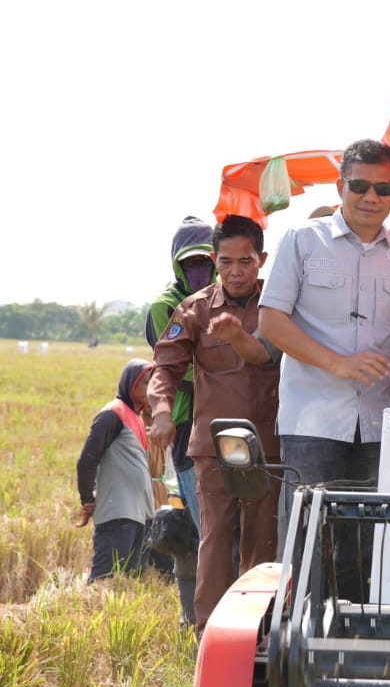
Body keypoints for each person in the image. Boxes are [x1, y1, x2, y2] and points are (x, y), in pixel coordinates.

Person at [259, 138, 390, 602]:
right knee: (307, 538)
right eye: (359, 186)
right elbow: (271, 321)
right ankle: (300, 633)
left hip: (379, 422)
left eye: (383, 188)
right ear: (340, 187)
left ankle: (355, 634)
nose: (370, 198)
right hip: (312, 420)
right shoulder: (301, 241)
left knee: (365, 543)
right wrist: (337, 363)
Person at [148, 215, 281, 635]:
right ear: (214, 259)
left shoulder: (278, 304)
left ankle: (257, 632)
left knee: (262, 540)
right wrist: (161, 411)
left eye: (245, 262)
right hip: (214, 445)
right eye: (226, 262)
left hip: (268, 444)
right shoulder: (195, 308)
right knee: (216, 537)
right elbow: (165, 367)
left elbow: (279, 354)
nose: (235, 272)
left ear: (261, 259)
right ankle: (209, 634)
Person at [144, 215, 215, 627]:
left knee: (227, 525)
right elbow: (172, 366)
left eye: (205, 262)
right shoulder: (165, 306)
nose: (198, 271)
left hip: (230, 420)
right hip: (186, 424)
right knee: (200, 526)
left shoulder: (227, 296)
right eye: (190, 264)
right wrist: (224, 371)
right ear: (177, 264)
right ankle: (198, 620)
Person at [75, 359, 158, 581]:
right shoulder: (112, 414)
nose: (152, 389)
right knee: (105, 581)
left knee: (128, 583)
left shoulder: (137, 417)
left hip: (138, 515)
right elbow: (87, 460)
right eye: (146, 383)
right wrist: (87, 499)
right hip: (118, 514)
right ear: (131, 384)